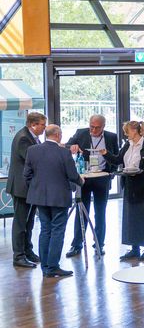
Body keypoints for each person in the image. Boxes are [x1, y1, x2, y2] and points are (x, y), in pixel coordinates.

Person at [24, 125, 83, 278]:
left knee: (45, 230)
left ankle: (45, 266)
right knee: (57, 231)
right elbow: (72, 175)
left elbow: (27, 175)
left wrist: (37, 188)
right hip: (59, 198)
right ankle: (53, 266)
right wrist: (81, 181)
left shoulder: (32, 150)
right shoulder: (64, 153)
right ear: (57, 135)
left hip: (39, 198)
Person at [65, 114, 119, 257]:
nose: (93, 130)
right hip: (85, 179)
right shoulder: (81, 133)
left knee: (100, 212)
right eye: (91, 127)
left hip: (102, 178)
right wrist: (73, 147)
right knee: (82, 212)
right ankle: (77, 245)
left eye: (97, 128)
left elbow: (116, 157)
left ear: (103, 127)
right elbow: (66, 146)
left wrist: (110, 173)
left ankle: (99, 244)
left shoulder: (112, 137)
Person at [7, 112, 45, 268]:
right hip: (22, 187)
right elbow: (33, 160)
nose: (44, 128)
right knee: (20, 222)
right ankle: (19, 255)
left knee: (29, 222)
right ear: (33, 125)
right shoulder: (23, 137)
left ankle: (28, 251)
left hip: (31, 186)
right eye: (42, 125)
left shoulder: (32, 137)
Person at [116, 121, 144, 261]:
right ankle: (134, 249)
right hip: (130, 185)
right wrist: (104, 153)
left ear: (135, 131)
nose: (126, 134)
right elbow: (118, 160)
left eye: (127, 131)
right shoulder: (128, 145)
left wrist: (139, 172)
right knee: (131, 218)